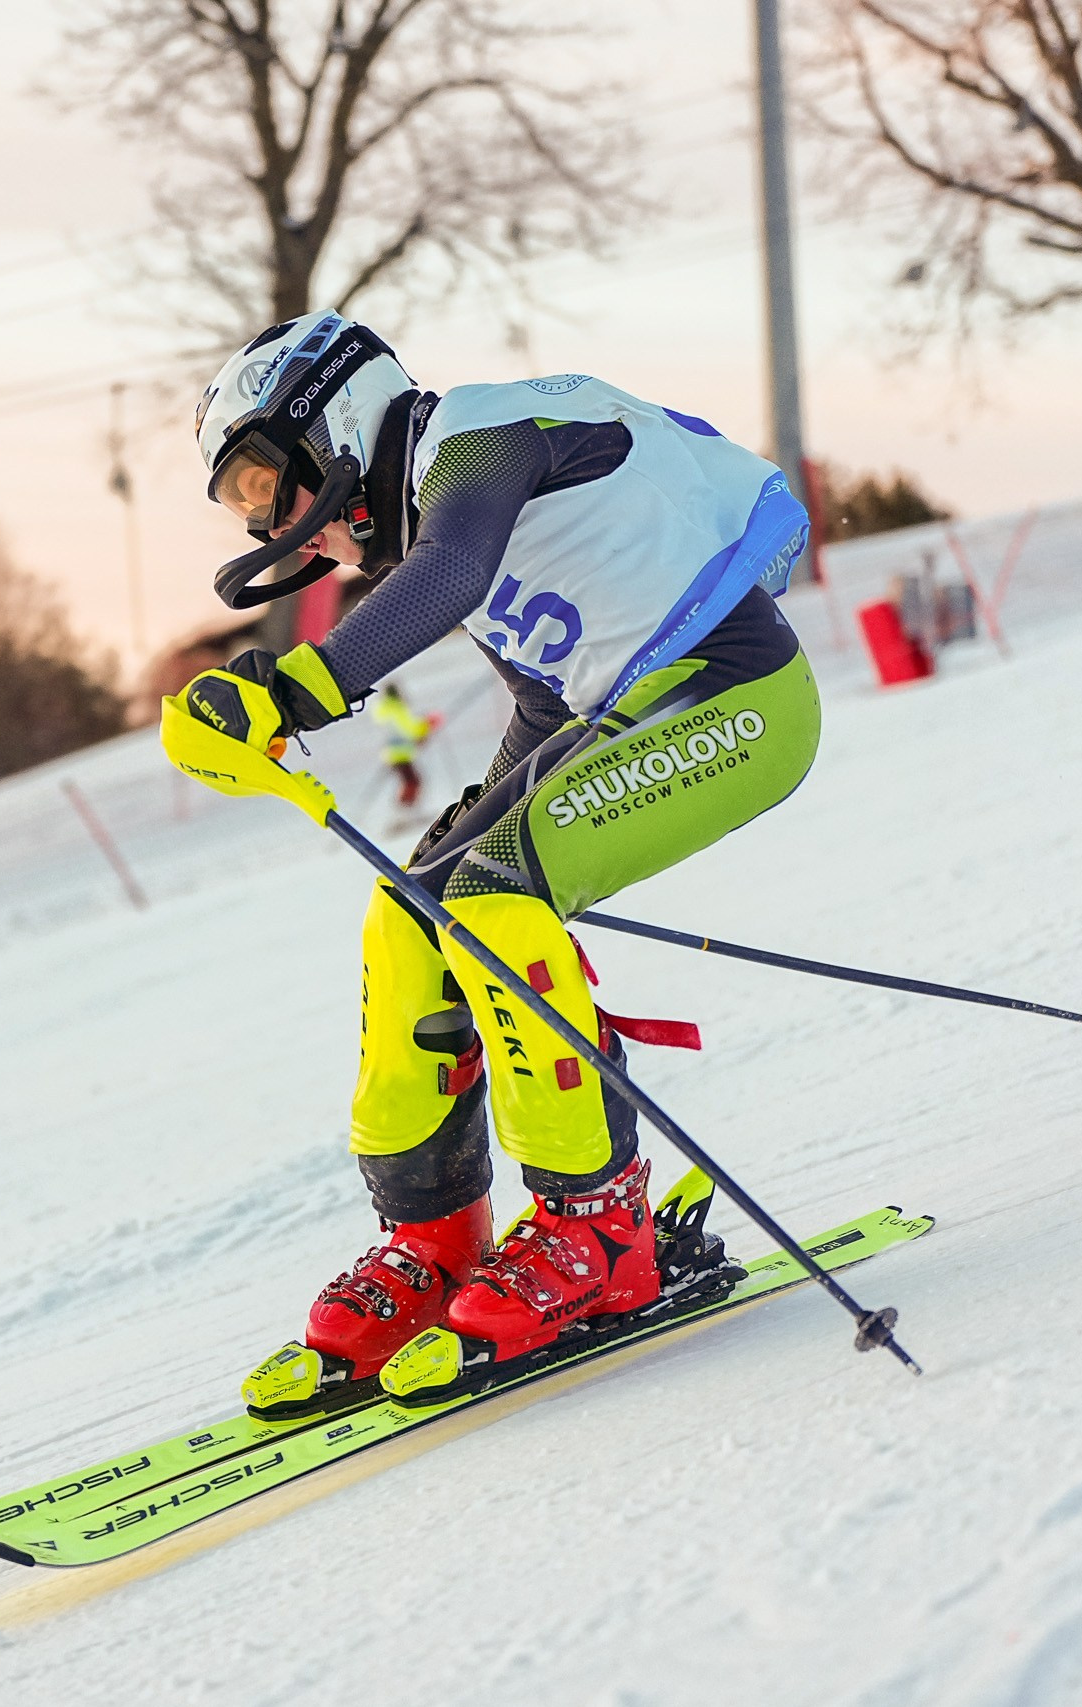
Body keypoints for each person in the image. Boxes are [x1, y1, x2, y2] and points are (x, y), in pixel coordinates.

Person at [164, 310, 820, 1414]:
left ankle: (598, 1226)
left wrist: (290, 691)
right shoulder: (436, 501)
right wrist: (456, 843)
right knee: (413, 910)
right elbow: (542, 697)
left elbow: (455, 571)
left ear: (337, 419)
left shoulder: (478, 437)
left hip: (737, 698)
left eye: (268, 482)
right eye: (243, 507)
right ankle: (433, 1237)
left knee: (495, 902)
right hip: (620, 714)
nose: (275, 524)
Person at [370, 679, 442, 810]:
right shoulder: (396, 709)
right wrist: (428, 724)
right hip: (400, 753)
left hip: (392, 753)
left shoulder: (383, 711)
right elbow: (409, 728)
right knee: (413, 782)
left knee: (411, 781)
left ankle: (406, 809)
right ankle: (405, 810)